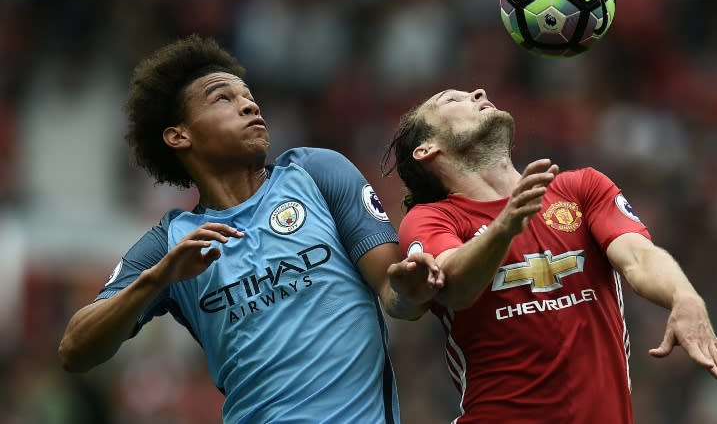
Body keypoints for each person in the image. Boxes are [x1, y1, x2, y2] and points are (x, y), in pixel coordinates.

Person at [58, 34, 444, 424]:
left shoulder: (317, 174)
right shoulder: (172, 243)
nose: (248, 105)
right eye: (221, 98)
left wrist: (411, 290)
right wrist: (157, 279)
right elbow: (74, 350)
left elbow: (397, 299)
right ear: (179, 135)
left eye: (247, 95)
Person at [382, 87, 717, 424]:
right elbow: (454, 287)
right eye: (451, 99)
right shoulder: (429, 219)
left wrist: (682, 295)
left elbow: (638, 257)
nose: (478, 92)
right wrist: (505, 226)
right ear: (427, 149)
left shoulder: (580, 188)